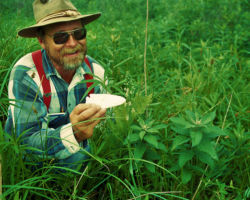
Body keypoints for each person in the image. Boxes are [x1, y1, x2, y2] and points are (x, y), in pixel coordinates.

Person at [5, 0, 106, 171]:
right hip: (30, 168)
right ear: (42, 41)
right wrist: (73, 133)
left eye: (79, 33)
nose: (73, 43)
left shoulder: (95, 72)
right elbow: (26, 144)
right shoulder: (27, 74)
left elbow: (106, 130)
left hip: (86, 161)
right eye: (61, 37)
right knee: (80, 154)